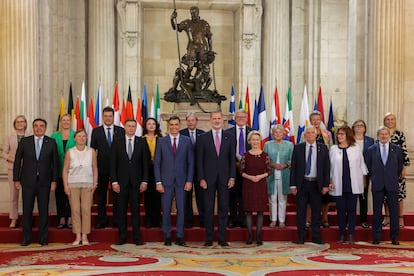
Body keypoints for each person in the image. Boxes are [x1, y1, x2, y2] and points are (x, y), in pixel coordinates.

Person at [13, 118, 58, 246]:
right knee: (27, 210)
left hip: (45, 182)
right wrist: (16, 179)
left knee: (43, 210)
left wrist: (54, 181)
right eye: (36, 126)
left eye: (42, 126)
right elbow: (17, 161)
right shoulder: (25, 142)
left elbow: (55, 163)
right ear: (33, 128)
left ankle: (43, 238)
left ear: (45, 128)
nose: (39, 128)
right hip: (27, 182)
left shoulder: (51, 142)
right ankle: (26, 238)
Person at [197, 111, 236, 247]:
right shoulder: (203, 138)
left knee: (223, 208)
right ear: (210, 120)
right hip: (208, 179)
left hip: (225, 178)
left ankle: (222, 238)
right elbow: (199, 161)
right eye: (214, 118)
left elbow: (232, 160)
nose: (217, 120)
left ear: (222, 119)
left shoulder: (230, 137)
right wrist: (201, 178)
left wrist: (232, 177)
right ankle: (209, 238)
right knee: (208, 209)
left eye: (219, 118)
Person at [155, 116, 194, 246]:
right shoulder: (161, 141)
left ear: (179, 125)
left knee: (181, 210)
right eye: (171, 124)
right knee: (166, 210)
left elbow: (190, 163)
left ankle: (180, 236)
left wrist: (189, 181)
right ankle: (167, 236)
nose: (174, 127)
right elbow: (157, 163)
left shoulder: (187, 141)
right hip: (165, 182)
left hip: (182, 182)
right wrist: (158, 182)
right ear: (168, 126)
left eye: (176, 124)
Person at [110, 119, 150, 245]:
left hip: (137, 184)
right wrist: (114, 181)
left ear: (136, 128)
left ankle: (137, 238)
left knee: (136, 211)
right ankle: (122, 237)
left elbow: (146, 164)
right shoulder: (117, 142)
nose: (131, 128)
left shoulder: (142, 142)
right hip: (121, 184)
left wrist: (144, 181)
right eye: (129, 126)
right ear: (125, 127)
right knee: (121, 211)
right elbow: (113, 164)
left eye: (133, 126)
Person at [290, 126, 330, 244]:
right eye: (308, 133)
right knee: (301, 211)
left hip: (316, 184)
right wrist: (293, 185)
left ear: (316, 134)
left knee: (316, 212)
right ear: (304, 135)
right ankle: (301, 237)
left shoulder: (323, 148)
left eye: (313, 133)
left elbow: (327, 168)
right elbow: (294, 168)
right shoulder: (298, 148)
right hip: (302, 184)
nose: (311, 135)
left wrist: (325, 185)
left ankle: (316, 236)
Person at [329, 126, 368, 244]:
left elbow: (362, 165)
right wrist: (330, 181)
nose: (339, 136)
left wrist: (364, 181)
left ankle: (351, 234)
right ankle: (341, 234)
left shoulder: (356, 148)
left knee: (351, 210)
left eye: (342, 134)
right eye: (338, 134)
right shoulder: (333, 149)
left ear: (348, 135)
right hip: (338, 183)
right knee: (340, 210)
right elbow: (330, 167)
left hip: (354, 184)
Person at [366, 126, 403, 245]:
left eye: (386, 134)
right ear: (378, 136)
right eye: (381, 134)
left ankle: (394, 237)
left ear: (389, 135)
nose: (383, 136)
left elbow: (399, 167)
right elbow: (368, 166)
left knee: (394, 211)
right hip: (377, 183)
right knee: (377, 211)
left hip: (392, 184)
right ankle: (376, 236)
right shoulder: (371, 149)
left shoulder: (397, 149)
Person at [90, 106, 125, 229]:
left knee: (117, 195)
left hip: (118, 168)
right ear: (102, 117)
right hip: (101, 168)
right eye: (106, 116)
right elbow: (93, 150)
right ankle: (102, 220)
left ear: (113, 117)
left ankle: (117, 219)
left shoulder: (121, 131)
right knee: (101, 195)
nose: (108, 118)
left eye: (110, 116)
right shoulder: (96, 131)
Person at [62, 129, 98, 245]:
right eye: (79, 136)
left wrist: (95, 183)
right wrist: (66, 185)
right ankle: (77, 235)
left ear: (86, 138)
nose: (81, 138)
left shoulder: (91, 151)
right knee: (75, 210)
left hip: (87, 183)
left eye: (83, 136)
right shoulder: (70, 152)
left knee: (86, 209)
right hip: (73, 184)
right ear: (74, 138)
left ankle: (85, 235)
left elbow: (95, 168)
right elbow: (65, 170)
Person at [240, 131, 271, 245]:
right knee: (248, 212)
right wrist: (251, 177)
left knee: (260, 212)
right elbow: (241, 171)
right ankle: (249, 237)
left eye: (257, 140)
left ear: (260, 141)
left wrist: (259, 177)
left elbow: (269, 171)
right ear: (249, 141)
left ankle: (258, 237)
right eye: (253, 140)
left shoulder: (265, 155)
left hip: (261, 185)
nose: (255, 142)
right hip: (248, 185)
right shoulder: (245, 155)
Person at [171, 6, 212, 86]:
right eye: (191, 13)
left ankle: (198, 84)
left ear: (198, 12)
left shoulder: (204, 23)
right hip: (192, 47)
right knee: (190, 66)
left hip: (203, 48)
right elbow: (176, 27)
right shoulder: (187, 23)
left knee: (202, 66)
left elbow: (209, 37)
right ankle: (185, 82)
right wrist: (172, 19)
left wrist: (210, 50)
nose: (193, 15)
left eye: (194, 13)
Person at [381, 112, 410, 228]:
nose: (390, 121)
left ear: (395, 121)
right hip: (384, 170)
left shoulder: (400, 134)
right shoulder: (381, 133)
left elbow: (404, 152)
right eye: (388, 119)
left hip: (397, 169)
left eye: (392, 119)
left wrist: (403, 168)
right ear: (384, 121)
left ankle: (400, 218)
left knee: (399, 195)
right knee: (385, 195)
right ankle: (387, 217)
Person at [225, 109, 253, 228]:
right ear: (235, 119)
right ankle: (232, 218)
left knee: (245, 195)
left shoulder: (253, 133)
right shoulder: (228, 132)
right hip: (232, 168)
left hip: (248, 169)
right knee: (232, 195)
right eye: (238, 117)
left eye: (243, 117)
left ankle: (243, 219)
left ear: (247, 119)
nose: (241, 119)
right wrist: (235, 163)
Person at [263, 124, 293, 228]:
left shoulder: (289, 145)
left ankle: (281, 220)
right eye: (276, 132)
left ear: (284, 134)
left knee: (282, 198)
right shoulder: (267, 144)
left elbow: (292, 160)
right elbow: (264, 159)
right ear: (272, 134)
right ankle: (273, 220)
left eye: (280, 132)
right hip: (271, 174)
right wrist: (272, 164)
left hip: (284, 174)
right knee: (272, 198)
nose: (278, 134)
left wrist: (285, 165)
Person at [2, 115, 29, 229]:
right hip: (12, 168)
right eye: (17, 122)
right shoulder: (9, 136)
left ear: (25, 123)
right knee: (14, 195)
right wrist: (12, 159)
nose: (20, 123)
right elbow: (4, 153)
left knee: (28, 195)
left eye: (22, 121)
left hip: (27, 169)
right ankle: (13, 219)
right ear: (15, 124)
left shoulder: (30, 136)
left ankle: (27, 218)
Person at [179, 112, 205, 228]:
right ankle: (188, 221)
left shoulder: (203, 134)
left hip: (200, 171)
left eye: (192, 120)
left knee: (201, 196)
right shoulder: (181, 134)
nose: (190, 122)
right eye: (188, 120)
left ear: (196, 121)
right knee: (186, 197)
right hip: (185, 171)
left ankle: (203, 220)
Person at [51, 114, 76, 229]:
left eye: (68, 120)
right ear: (60, 122)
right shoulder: (54, 136)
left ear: (71, 122)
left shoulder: (75, 135)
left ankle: (70, 218)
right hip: (58, 169)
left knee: (71, 196)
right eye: (63, 120)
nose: (66, 122)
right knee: (60, 195)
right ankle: (61, 218)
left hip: (73, 171)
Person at [309, 110, 332, 228]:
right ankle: (309, 219)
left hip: (323, 168)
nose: (316, 121)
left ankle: (325, 218)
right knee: (310, 195)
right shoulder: (307, 133)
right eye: (313, 119)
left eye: (318, 119)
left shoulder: (327, 134)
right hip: (310, 168)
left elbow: (331, 150)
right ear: (310, 121)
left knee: (324, 196)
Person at [352, 120, 374, 229]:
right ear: (354, 128)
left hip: (365, 172)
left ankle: (363, 220)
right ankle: (349, 219)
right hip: (351, 172)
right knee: (351, 196)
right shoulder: (349, 139)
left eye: (361, 126)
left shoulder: (370, 140)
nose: (359, 127)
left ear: (365, 128)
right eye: (357, 126)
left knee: (363, 196)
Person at [142, 117, 162, 228]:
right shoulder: (140, 139)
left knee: (158, 196)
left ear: (156, 126)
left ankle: (157, 219)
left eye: (153, 124)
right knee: (148, 197)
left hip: (158, 171)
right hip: (146, 171)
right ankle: (148, 220)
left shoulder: (161, 139)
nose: (151, 126)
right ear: (145, 126)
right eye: (149, 124)